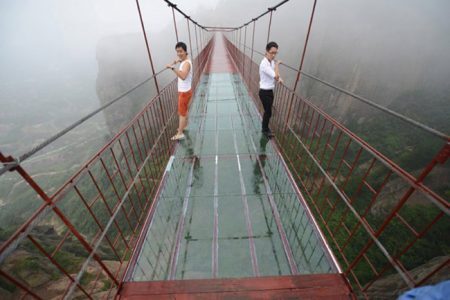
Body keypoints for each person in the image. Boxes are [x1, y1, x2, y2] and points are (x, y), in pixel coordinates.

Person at [166, 41, 193, 140]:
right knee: (185, 110)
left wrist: (172, 68)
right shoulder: (185, 61)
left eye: (181, 51)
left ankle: (180, 133)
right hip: (187, 91)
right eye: (177, 51)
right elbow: (180, 59)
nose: (179, 53)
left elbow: (183, 76)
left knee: (182, 112)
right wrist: (175, 61)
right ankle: (185, 126)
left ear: (186, 51)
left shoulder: (186, 64)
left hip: (184, 92)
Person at [259, 41, 282, 138]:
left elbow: (275, 75)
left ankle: (266, 129)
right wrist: (277, 65)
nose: (274, 55)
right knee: (268, 112)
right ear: (266, 52)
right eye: (272, 52)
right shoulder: (264, 64)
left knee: (268, 112)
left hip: (269, 91)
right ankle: (264, 130)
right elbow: (275, 76)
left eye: (275, 53)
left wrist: (278, 77)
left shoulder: (271, 62)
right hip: (264, 92)